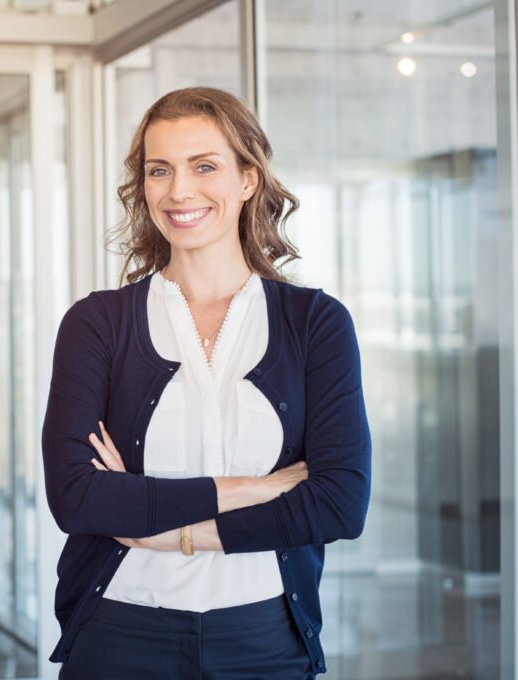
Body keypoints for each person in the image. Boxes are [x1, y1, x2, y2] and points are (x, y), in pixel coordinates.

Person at [41, 87, 371, 679]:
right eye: (159, 170)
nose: (179, 191)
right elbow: (77, 498)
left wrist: (174, 532)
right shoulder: (98, 323)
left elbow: (340, 504)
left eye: (204, 166)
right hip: (119, 632)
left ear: (248, 178)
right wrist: (257, 487)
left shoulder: (314, 323)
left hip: (265, 640)